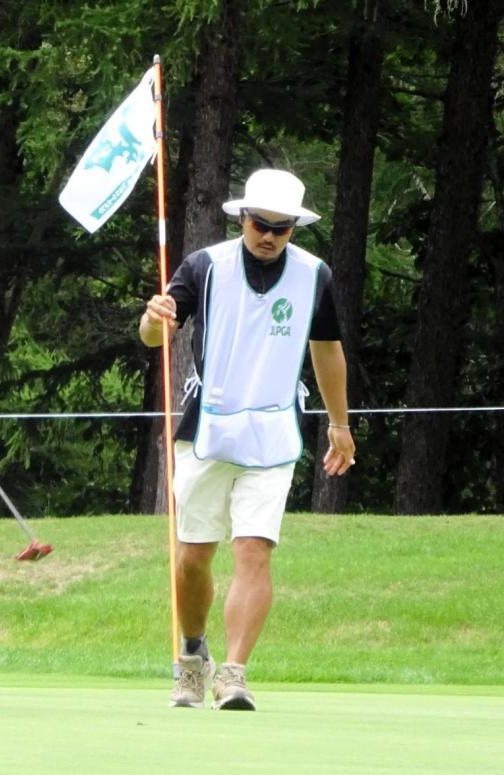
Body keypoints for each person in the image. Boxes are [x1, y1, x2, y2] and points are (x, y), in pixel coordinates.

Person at [139, 169, 355, 711]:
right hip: (206, 429)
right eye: (262, 224)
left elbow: (326, 350)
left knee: (254, 551)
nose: (270, 236)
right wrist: (154, 318)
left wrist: (340, 424)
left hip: (273, 433)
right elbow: (156, 335)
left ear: (294, 230)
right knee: (193, 557)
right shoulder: (203, 266)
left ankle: (232, 674)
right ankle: (192, 657)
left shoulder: (314, 276)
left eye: (283, 229)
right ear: (243, 218)